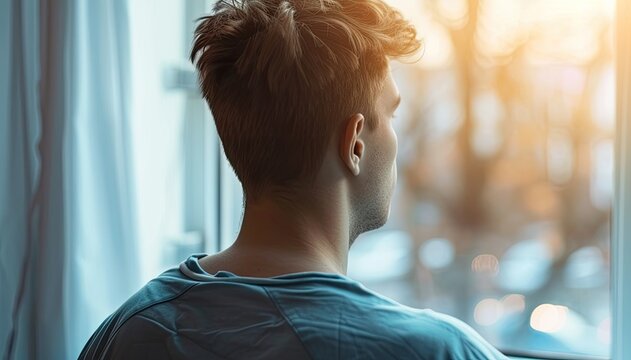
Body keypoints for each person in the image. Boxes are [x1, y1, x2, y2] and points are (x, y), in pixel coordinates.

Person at [79, 0, 507, 359]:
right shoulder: (435, 350)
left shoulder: (126, 331)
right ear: (355, 143)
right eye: (391, 114)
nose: (396, 136)